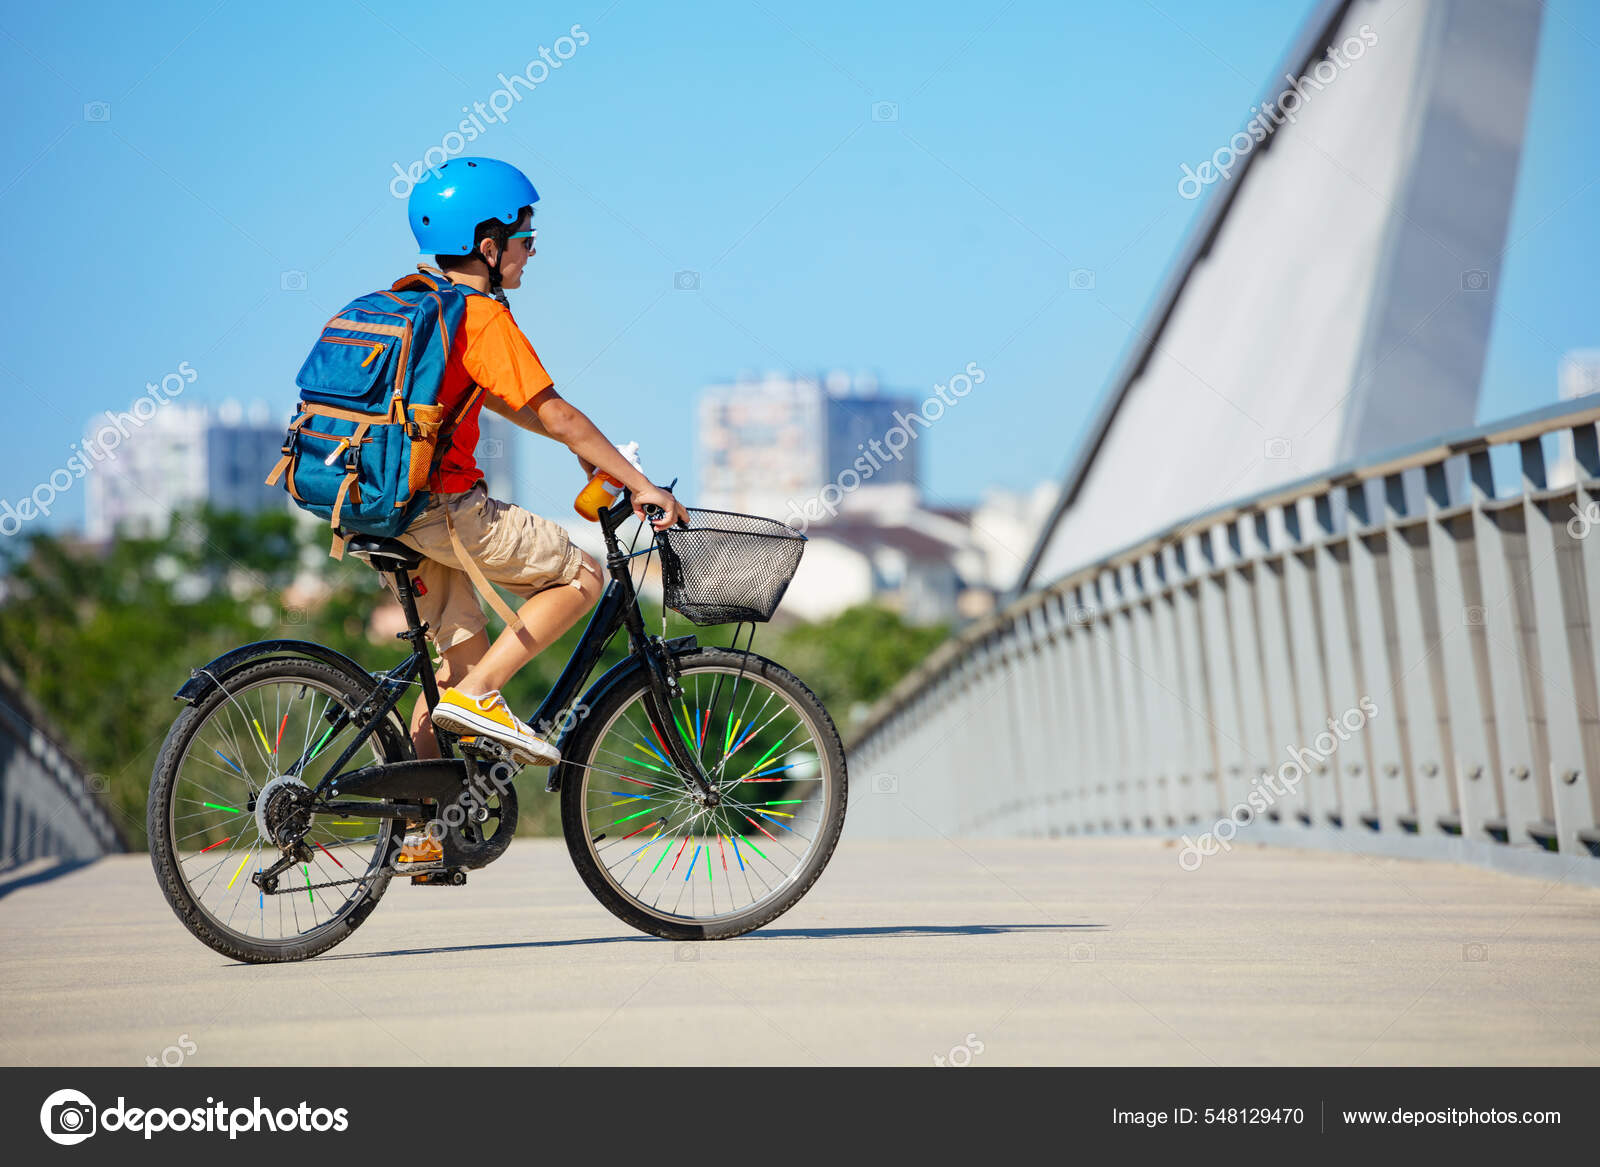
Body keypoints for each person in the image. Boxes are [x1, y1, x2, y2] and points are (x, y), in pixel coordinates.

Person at [389, 158, 687, 859]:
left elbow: (499, 401)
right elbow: (554, 410)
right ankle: (485, 695)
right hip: (446, 508)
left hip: (390, 508)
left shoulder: (421, 301)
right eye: (524, 237)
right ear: (486, 245)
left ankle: (417, 830)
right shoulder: (480, 315)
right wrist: (641, 482)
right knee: (583, 576)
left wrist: (593, 459)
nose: (530, 250)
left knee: (450, 674)